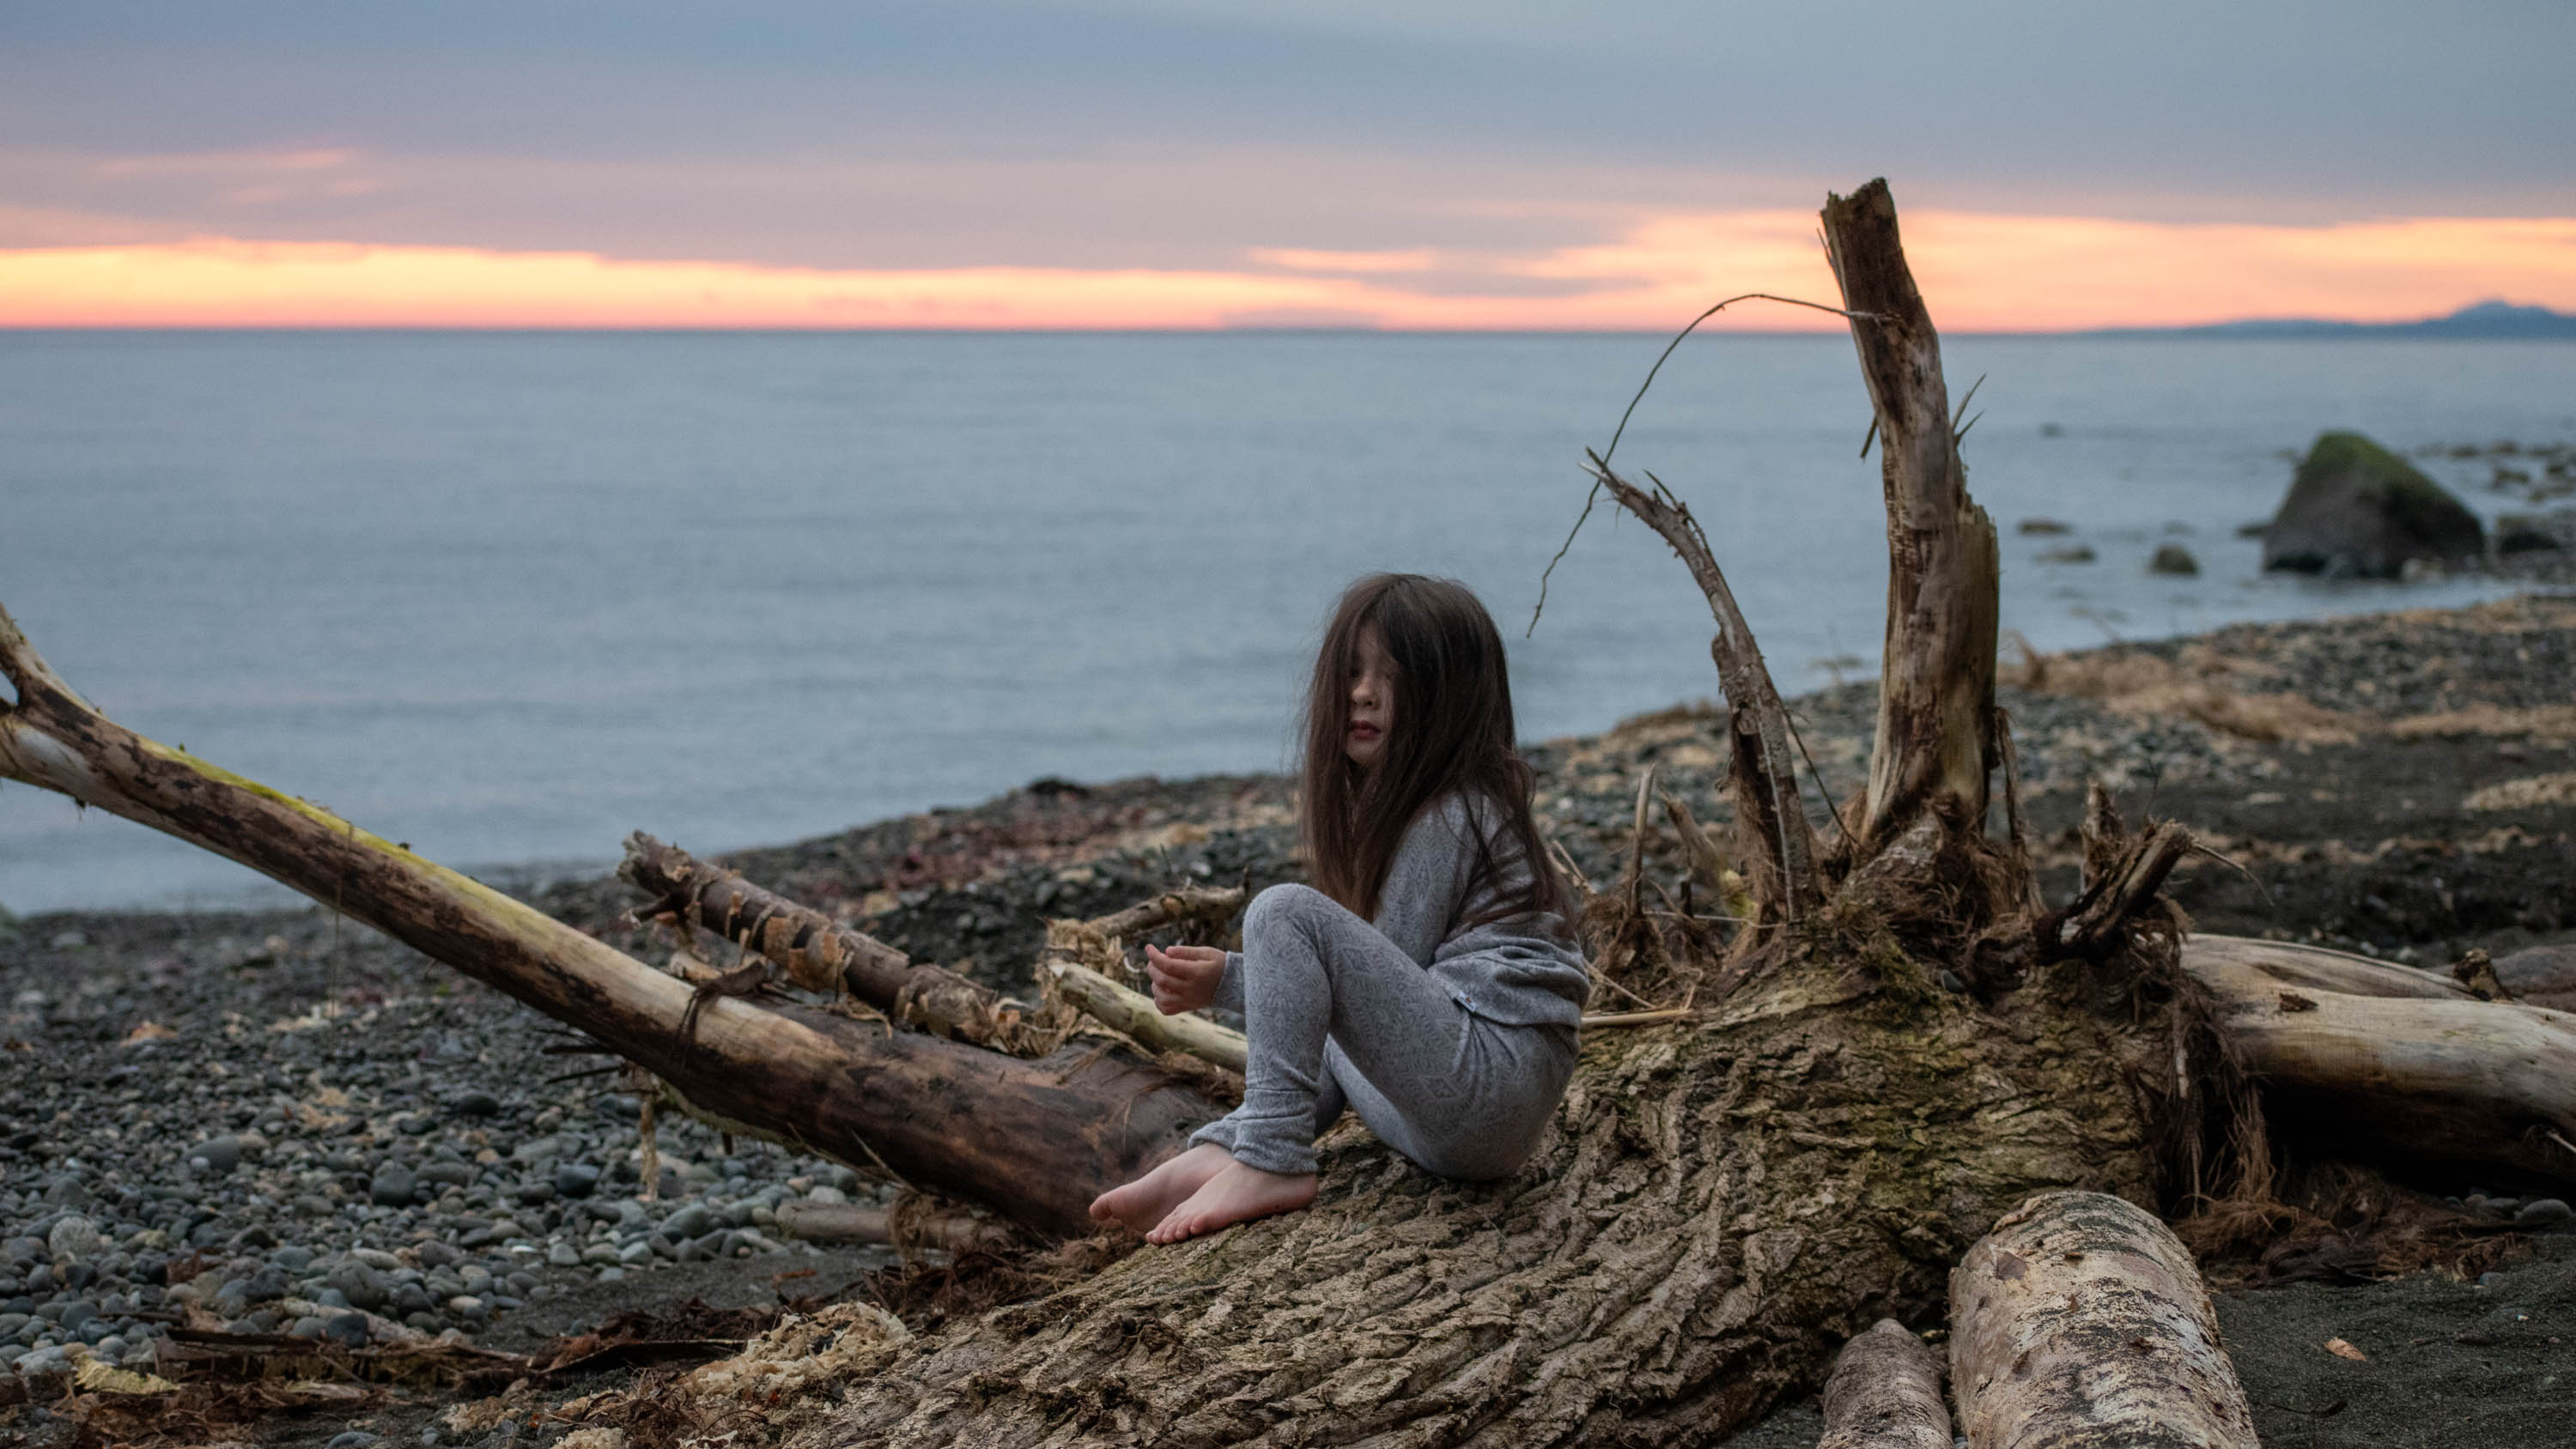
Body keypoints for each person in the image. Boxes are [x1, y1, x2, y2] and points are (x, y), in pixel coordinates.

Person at [1090, 573, 1589, 1244]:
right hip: (1463, 1118)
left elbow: (1388, 965)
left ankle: (1270, 1159)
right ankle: (1226, 1151)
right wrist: (1249, 979)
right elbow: (1363, 1002)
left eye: (1394, 675)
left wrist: (1234, 979)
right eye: (1352, 672)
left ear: (1454, 697)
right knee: (1313, 994)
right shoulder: (1427, 811)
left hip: (1486, 1084)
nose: (1363, 692)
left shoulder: (1456, 812)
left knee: (1284, 912)